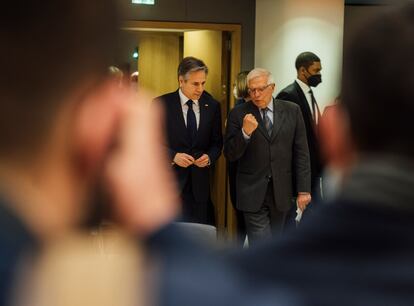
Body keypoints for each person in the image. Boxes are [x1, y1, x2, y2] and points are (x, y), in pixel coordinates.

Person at [224, 68, 311, 244]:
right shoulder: (238, 114)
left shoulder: (292, 111)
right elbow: (230, 154)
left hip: (282, 190)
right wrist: (245, 133)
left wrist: (304, 189)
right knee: (261, 243)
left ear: (272, 87)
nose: (256, 94)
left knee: (278, 245)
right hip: (252, 191)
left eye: (261, 89)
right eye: (252, 90)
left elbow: (301, 152)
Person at [155, 57, 223, 225]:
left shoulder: (212, 105)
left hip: (200, 187)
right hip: (169, 185)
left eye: (203, 83)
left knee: (199, 236)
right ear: (181, 81)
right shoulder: (161, 104)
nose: (200, 89)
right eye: (195, 84)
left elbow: (217, 143)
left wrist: (209, 158)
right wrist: (173, 156)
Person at [276, 52, 324, 208]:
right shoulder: (288, 95)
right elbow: (284, 139)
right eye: (316, 70)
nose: (319, 74)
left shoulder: (309, 93)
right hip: (298, 173)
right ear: (303, 71)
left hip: (313, 168)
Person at [228, 70, 250, 246]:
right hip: (236, 167)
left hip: (243, 171)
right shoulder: (236, 111)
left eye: (236, 84)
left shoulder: (238, 111)